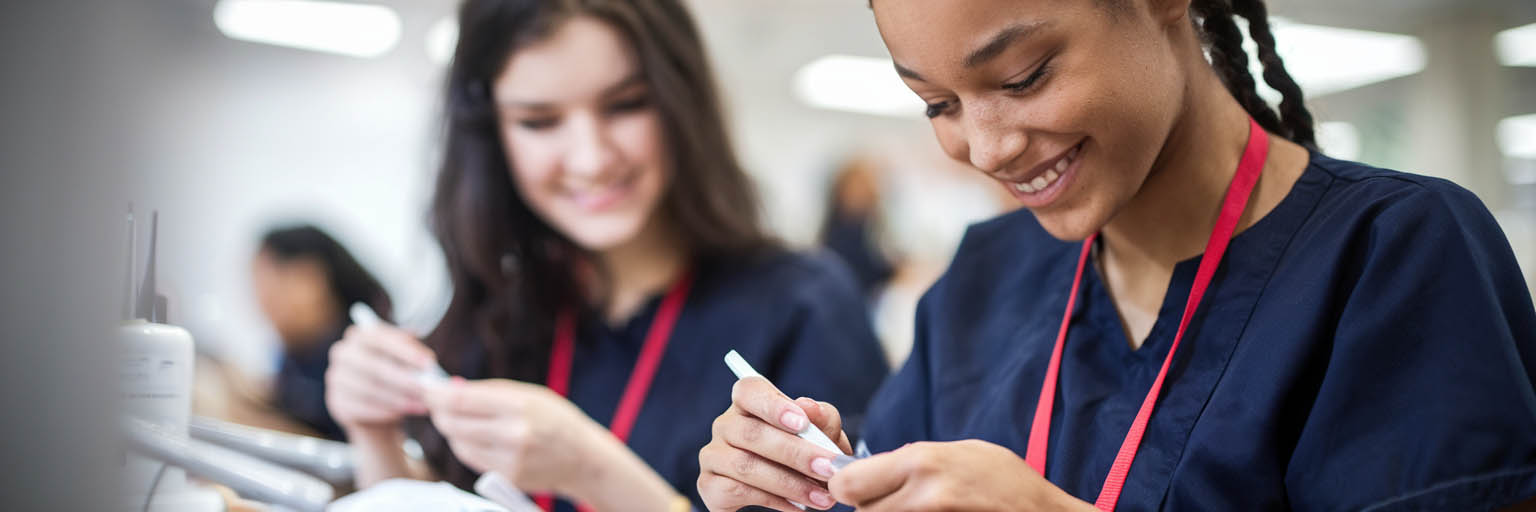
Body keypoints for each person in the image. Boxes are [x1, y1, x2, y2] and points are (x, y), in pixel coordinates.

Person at [698, 0, 1536, 510]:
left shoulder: (1395, 255)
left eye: (1023, 77)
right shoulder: (985, 280)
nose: (987, 149)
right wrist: (800, 484)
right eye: (939, 104)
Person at [323, 1, 890, 510]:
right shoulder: (503, 309)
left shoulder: (803, 306)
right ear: (492, 135)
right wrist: (374, 433)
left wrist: (595, 472)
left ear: (679, 102)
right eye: (539, 121)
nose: (591, 159)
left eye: (626, 105)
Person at [251, 224, 393, 441]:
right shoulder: (292, 354)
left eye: (271, 284)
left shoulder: (362, 352)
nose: (262, 302)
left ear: (313, 279)